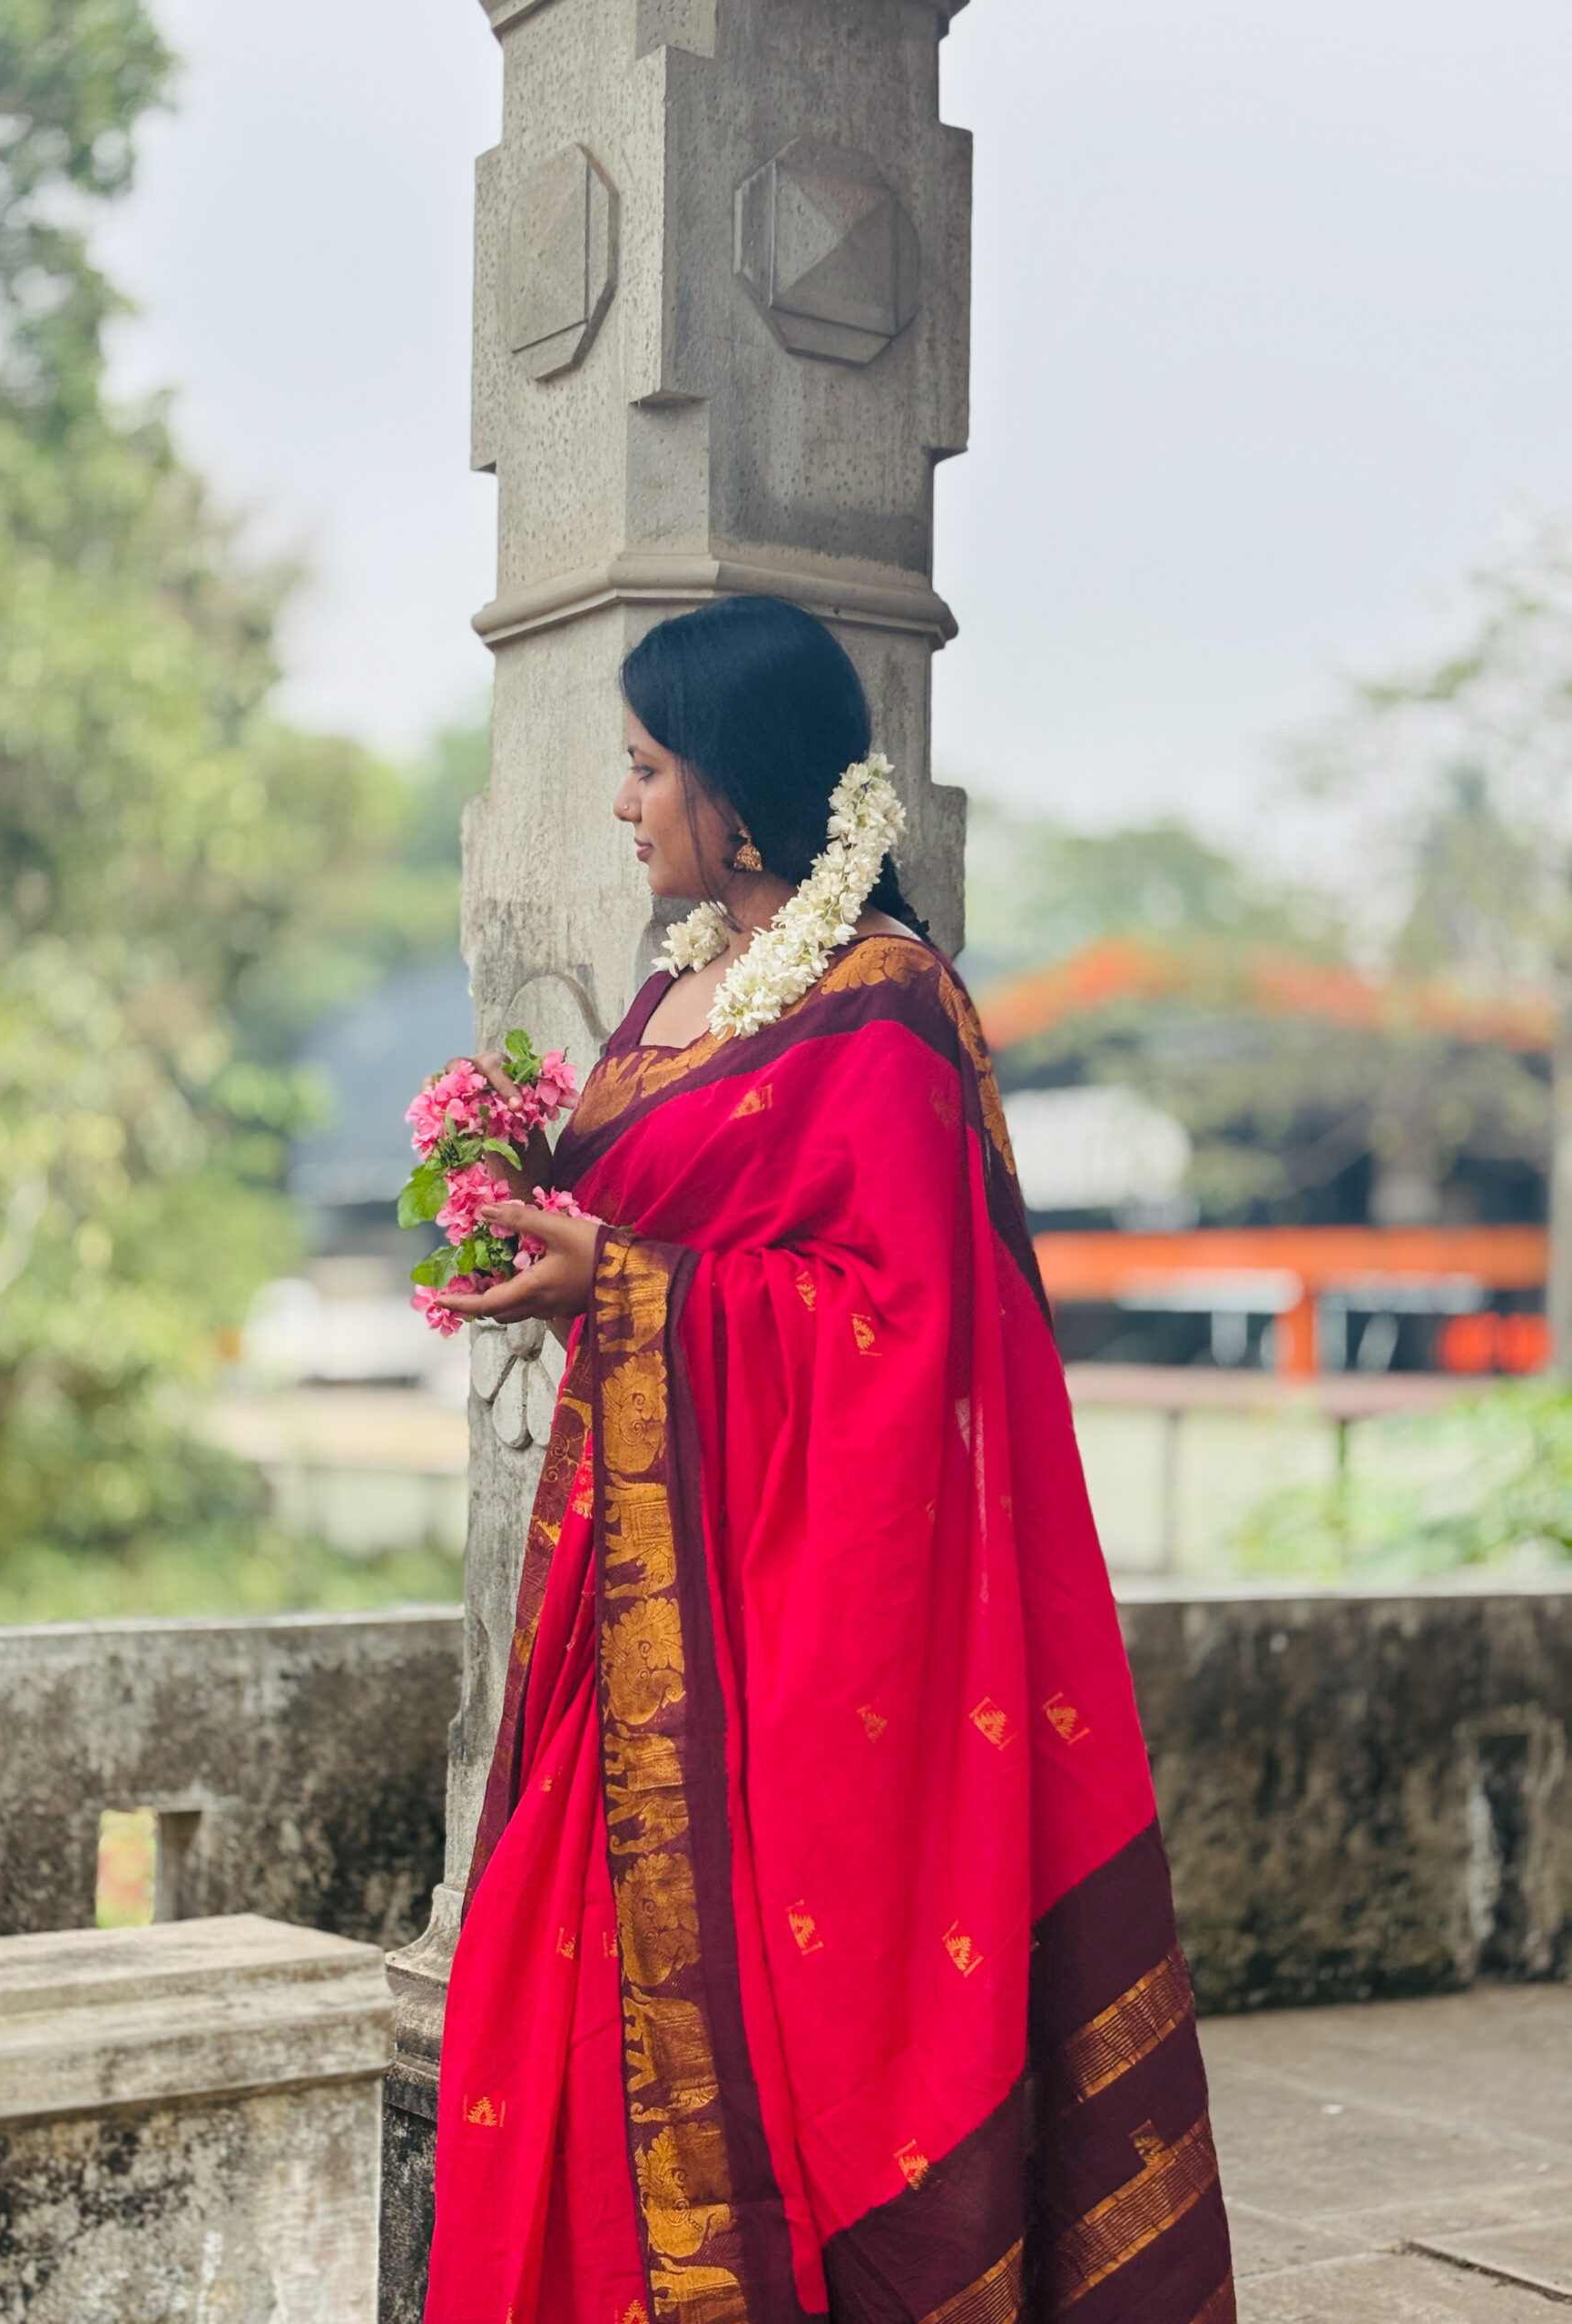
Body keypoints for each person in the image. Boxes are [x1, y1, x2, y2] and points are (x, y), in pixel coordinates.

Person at [423, 596, 1234, 2324]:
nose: (622, 806)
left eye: (646, 769)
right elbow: (669, 1234)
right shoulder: (676, 998)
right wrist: (547, 1238)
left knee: (820, 2036)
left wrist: (622, 1281)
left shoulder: (886, 1009)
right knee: (531, 1988)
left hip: (798, 1637)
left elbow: (902, 1330)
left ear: (738, 792)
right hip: (636, 1599)